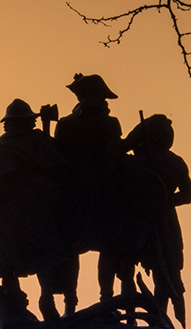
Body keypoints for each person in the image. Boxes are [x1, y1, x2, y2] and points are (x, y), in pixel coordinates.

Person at [0, 98, 77, 321]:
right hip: (34, 208)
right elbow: (60, 172)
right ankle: (42, 297)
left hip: (14, 210)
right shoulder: (40, 143)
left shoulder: (0, 149)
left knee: (10, 259)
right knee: (41, 253)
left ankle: (32, 299)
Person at [53, 73, 130, 300]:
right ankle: (93, 298)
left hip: (81, 193)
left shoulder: (67, 124)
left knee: (79, 247)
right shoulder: (108, 124)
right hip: (97, 193)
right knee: (104, 246)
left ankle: (89, 299)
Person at [126, 113, 191, 327]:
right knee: (152, 268)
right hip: (146, 219)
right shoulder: (165, 161)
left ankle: (157, 317)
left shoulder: (141, 161)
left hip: (155, 220)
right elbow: (186, 195)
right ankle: (148, 316)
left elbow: (186, 196)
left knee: (164, 269)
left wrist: (163, 200)